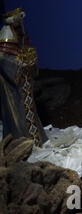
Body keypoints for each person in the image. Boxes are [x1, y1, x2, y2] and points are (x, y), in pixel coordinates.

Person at [0, 8, 47, 146]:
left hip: (24, 82)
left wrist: (30, 60)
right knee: (16, 111)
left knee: (29, 109)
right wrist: (20, 63)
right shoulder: (6, 36)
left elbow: (25, 50)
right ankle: (19, 141)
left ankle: (35, 138)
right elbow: (3, 60)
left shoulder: (21, 34)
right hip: (12, 85)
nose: (20, 24)